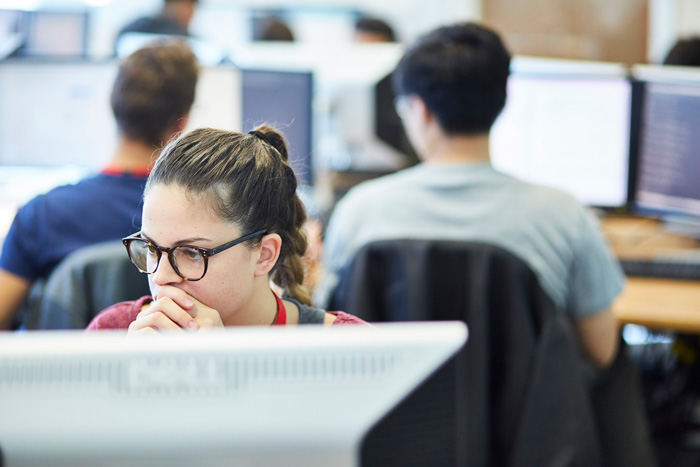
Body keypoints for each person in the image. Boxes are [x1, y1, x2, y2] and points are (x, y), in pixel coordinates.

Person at [315, 22, 622, 369]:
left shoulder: (359, 211)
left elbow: (330, 333)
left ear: (420, 110)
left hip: (394, 420)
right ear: (502, 103)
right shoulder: (564, 215)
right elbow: (601, 350)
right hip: (522, 423)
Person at [86, 126, 367, 332]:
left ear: (264, 255)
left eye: (192, 253)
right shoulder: (114, 333)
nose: (160, 277)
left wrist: (222, 369)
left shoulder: (349, 349)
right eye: (151, 248)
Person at [0, 40, 199, 330]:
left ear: (114, 108)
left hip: (65, 373)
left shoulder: (41, 215)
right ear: (181, 125)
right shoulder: (203, 220)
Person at [115, 0, 199, 50]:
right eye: (187, 6)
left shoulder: (192, 41)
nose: (191, 13)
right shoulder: (137, 31)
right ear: (168, 5)